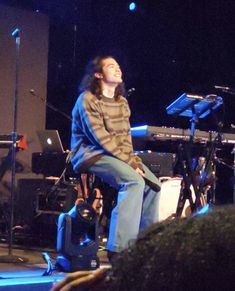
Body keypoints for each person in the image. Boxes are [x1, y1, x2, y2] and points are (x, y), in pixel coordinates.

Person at [70, 56, 161, 259]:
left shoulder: (122, 102)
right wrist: (129, 163)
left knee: (154, 185)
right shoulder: (88, 99)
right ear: (98, 74)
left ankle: (147, 246)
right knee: (133, 181)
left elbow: (125, 140)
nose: (118, 69)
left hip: (116, 155)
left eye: (119, 66)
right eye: (112, 66)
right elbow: (100, 138)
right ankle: (119, 249)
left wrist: (135, 160)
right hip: (90, 153)